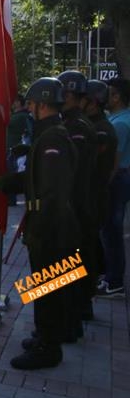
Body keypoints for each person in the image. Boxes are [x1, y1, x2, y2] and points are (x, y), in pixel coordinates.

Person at [0, 77, 79, 370]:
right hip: (49, 223)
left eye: (30, 103)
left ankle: (48, 347)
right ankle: (45, 334)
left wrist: (40, 229)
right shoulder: (49, 134)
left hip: (51, 227)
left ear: (41, 104)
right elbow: (31, 179)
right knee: (44, 287)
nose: (28, 108)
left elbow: (53, 191)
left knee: (48, 287)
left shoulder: (53, 137)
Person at [57, 71, 98, 334]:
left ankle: (64, 325)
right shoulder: (74, 125)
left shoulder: (76, 128)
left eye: (67, 94)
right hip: (77, 205)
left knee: (67, 267)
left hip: (75, 206)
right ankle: (71, 317)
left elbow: (71, 173)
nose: (62, 99)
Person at [83, 80, 117, 308]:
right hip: (89, 199)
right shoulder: (92, 126)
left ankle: (73, 312)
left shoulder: (98, 130)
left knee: (82, 255)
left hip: (89, 200)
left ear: (93, 103)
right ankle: (79, 308)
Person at [97, 77, 130, 299]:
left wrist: (102, 187)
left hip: (118, 179)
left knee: (111, 230)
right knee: (111, 230)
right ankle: (111, 277)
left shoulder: (119, 123)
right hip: (121, 177)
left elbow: (113, 161)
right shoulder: (121, 118)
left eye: (108, 93)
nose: (103, 97)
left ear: (117, 96)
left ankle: (114, 281)